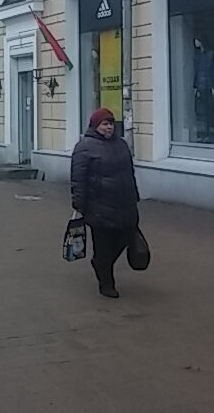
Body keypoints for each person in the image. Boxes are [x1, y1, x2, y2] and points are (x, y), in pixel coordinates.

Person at [70, 108, 140, 299]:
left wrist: (135, 197)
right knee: (103, 246)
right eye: (104, 124)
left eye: (110, 123)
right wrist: (79, 204)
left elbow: (129, 173)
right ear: (95, 126)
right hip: (99, 205)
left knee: (125, 238)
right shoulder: (85, 147)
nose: (109, 127)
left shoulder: (121, 144)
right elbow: (78, 178)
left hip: (124, 203)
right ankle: (106, 283)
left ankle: (101, 263)